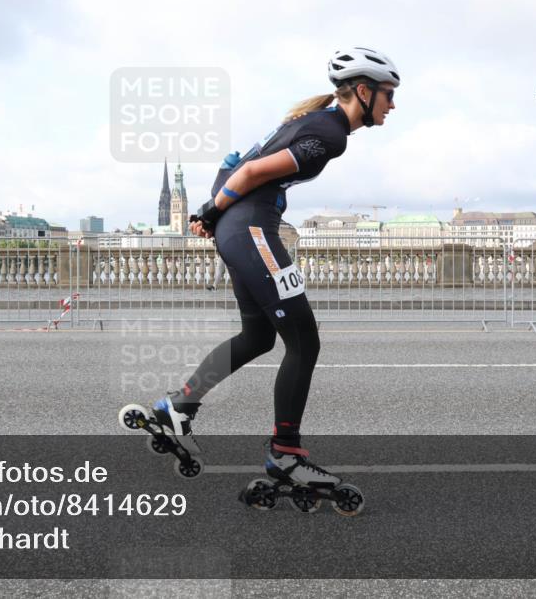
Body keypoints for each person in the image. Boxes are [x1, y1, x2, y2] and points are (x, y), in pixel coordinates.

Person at [151, 47, 400, 487]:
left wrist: (219, 216)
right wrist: (211, 212)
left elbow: (232, 164)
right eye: (387, 94)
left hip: (241, 231)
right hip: (252, 233)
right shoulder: (330, 134)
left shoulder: (304, 123)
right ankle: (285, 454)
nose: (392, 105)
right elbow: (246, 176)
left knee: (259, 336)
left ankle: (181, 405)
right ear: (363, 91)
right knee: (304, 341)